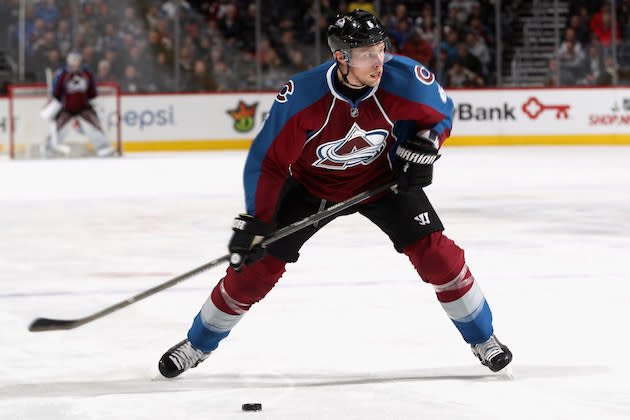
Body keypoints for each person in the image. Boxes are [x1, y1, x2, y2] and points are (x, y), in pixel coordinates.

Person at [158, 10, 512, 378]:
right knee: (254, 269)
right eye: (366, 54)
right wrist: (256, 219)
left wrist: (426, 143)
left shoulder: (405, 79)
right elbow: (270, 161)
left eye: (381, 49)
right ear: (341, 57)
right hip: (311, 187)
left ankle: (483, 338)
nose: (379, 61)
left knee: (438, 256)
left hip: (381, 182)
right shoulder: (304, 96)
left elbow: (440, 114)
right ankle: (197, 344)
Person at [41, 51, 115, 157]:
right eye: (73, 60)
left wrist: (96, 104)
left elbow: (92, 91)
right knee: (59, 129)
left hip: (84, 107)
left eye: (77, 60)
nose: (75, 62)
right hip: (67, 108)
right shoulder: (63, 74)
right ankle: (49, 150)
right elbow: (56, 92)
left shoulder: (86, 73)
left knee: (94, 126)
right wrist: (52, 103)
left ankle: (104, 148)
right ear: (69, 61)